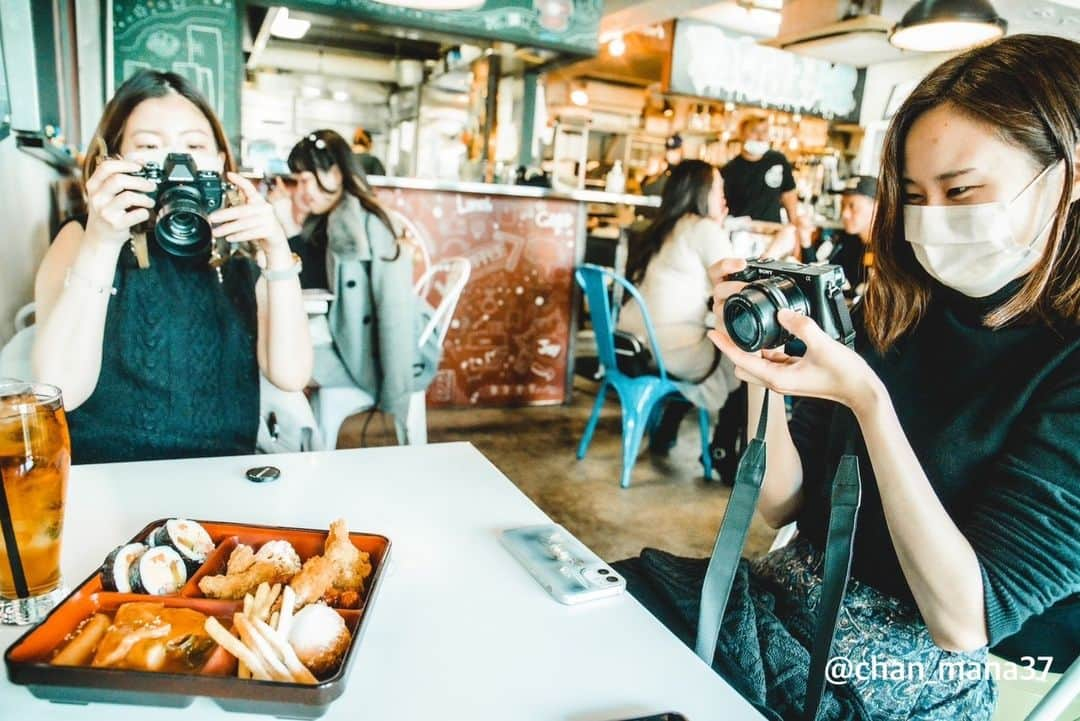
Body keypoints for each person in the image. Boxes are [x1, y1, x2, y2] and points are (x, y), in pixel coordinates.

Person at [617, 34, 1080, 721]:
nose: (933, 221)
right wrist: (759, 371)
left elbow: (963, 620)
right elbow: (781, 506)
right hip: (781, 613)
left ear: (1068, 176)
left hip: (912, 675)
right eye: (916, 195)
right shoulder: (899, 309)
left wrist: (868, 400)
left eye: (961, 190)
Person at [30, 71, 312, 464]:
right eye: (149, 145)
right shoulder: (80, 239)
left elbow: (291, 374)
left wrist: (277, 254)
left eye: (194, 145)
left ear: (219, 162)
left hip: (222, 478)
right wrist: (102, 241)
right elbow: (58, 390)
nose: (177, 163)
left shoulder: (239, 252)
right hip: (109, 478)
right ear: (112, 160)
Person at [287, 129, 416, 426]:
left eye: (305, 180)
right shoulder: (323, 220)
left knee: (273, 362)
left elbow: (395, 311)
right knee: (267, 350)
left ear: (334, 173)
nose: (300, 191)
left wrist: (395, 397)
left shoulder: (373, 224)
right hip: (332, 338)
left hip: (360, 354)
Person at [618, 160, 739, 461]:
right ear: (700, 192)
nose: (724, 197)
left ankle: (670, 422)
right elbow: (737, 283)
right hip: (670, 352)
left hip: (630, 344)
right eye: (718, 188)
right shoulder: (703, 229)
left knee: (717, 338)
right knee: (746, 359)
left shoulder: (661, 227)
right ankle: (724, 454)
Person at [819, 175, 877, 298]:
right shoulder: (846, 242)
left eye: (852, 206)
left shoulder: (889, 253)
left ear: (877, 207)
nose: (844, 214)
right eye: (842, 205)